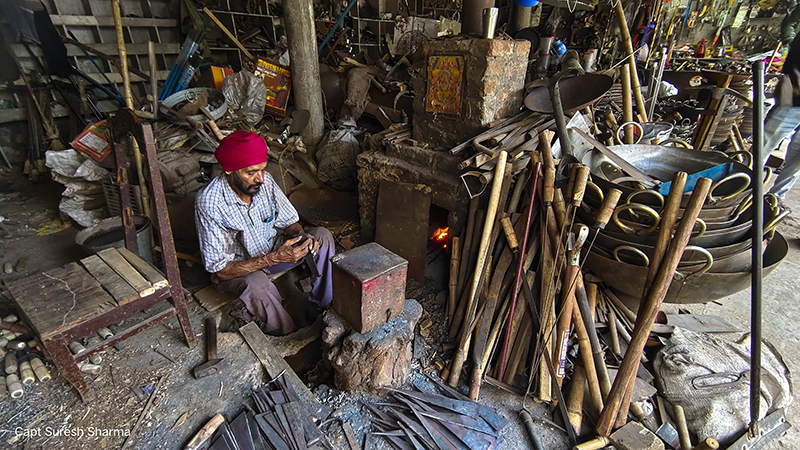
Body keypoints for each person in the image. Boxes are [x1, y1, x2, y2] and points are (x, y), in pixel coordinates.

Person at [195, 130, 334, 336]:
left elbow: (290, 222)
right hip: (240, 269)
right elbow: (221, 270)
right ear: (229, 171)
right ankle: (289, 336)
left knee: (322, 236)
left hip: (275, 252)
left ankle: (321, 311)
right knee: (257, 285)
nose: (259, 178)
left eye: (262, 170)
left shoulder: (265, 182)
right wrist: (271, 259)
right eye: (250, 173)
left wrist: (302, 237)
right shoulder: (210, 203)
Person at [763, 33, 800, 201]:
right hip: (793, 100)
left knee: (797, 159)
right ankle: (741, 190)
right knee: (763, 146)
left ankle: (775, 199)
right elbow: (793, 67)